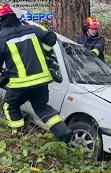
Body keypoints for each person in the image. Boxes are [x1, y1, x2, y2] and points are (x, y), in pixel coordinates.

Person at [0, 3, 73, 143]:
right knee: (41, 107)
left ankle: (18, 136)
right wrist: (44, 50)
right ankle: (64, 132)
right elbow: (51, 38)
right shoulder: (32, 29)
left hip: (21, 83)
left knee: (10, 105)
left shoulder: (1, 37)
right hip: (42, 80)